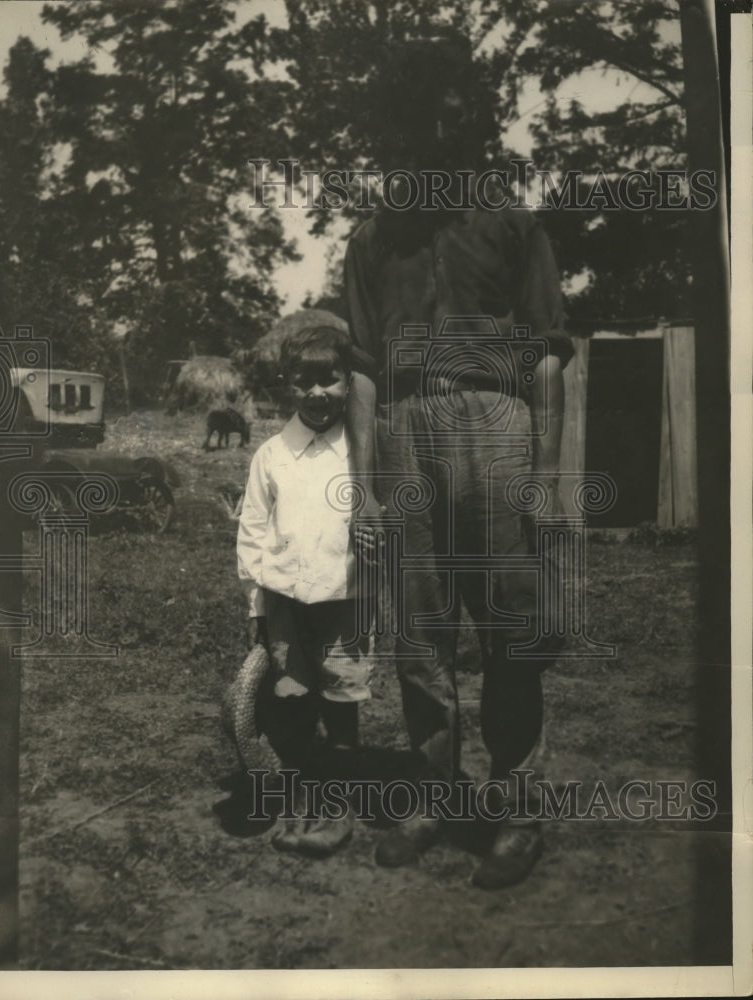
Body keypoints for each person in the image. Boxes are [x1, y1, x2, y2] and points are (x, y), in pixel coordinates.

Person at [343, 35, 574, 888]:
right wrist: (368, 489)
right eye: (411, 120)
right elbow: (362, 368)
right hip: (403, 424)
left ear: (470, 124)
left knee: (509, 621)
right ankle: (434, 793)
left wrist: (544, 483)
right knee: (417, 627)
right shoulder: (371, 238)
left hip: (494, 421)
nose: (427, 134)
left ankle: (515, 806)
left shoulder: (512, 224)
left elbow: (547, 353)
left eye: (446, 115)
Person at [236, 325, 372, 857]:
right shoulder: (271, 454)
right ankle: (296, 799)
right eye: (304, 381)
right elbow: (251, 529)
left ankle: (336, 809)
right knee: (290, 702)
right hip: (285, 603)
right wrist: (257, 604)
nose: (318, 393)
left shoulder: (362, 450)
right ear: (286, 385)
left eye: (330, 380)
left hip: (345, 601)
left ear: (349, 383)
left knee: (341, 700)